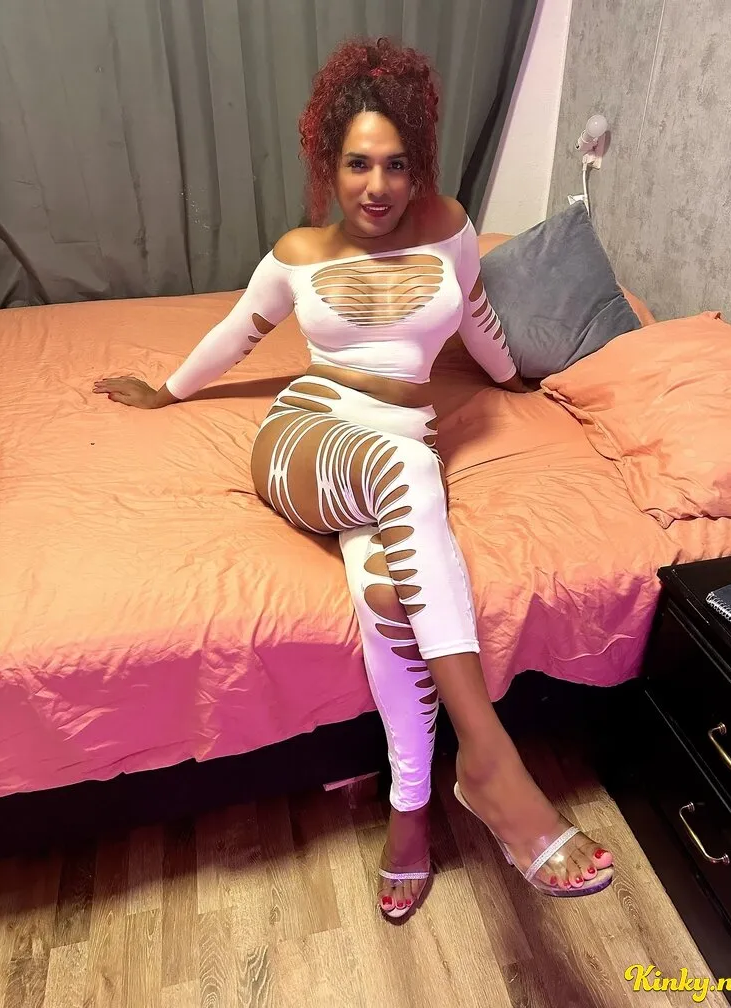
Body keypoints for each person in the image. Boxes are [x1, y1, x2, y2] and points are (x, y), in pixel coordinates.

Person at [94, 37, 613, 921]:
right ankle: (490, 759)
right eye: (357, 164)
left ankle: (409, 815)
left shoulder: (450, 232)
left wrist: (513, 381)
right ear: (328, 166)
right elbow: (236, 334)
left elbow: (478, 318)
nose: (377, 186)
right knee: (407, 466)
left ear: (419, 168)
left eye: (395, 164)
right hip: (306, 441)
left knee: (387, 596)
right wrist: (167, 391)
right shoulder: (298, 253)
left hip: (393, 464)